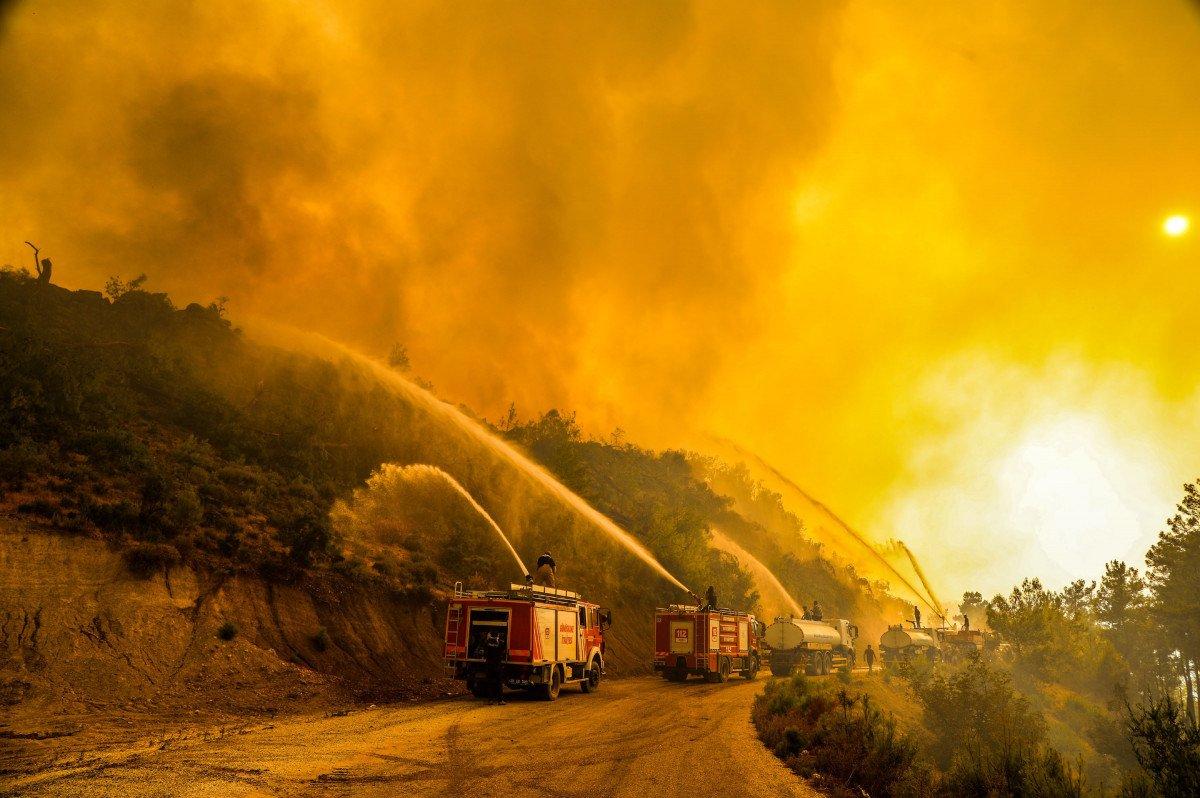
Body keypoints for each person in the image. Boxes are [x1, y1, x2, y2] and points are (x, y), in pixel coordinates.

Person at [483, 631, 506, 705]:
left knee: (490, 682)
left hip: (489, 666)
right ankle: (500, 700)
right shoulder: (499, 644)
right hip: (497, 666)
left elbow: (485, 648)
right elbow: (503, 647)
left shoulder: (487, 644)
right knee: (498, 683)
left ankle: (490, 700)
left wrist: (488, 638)